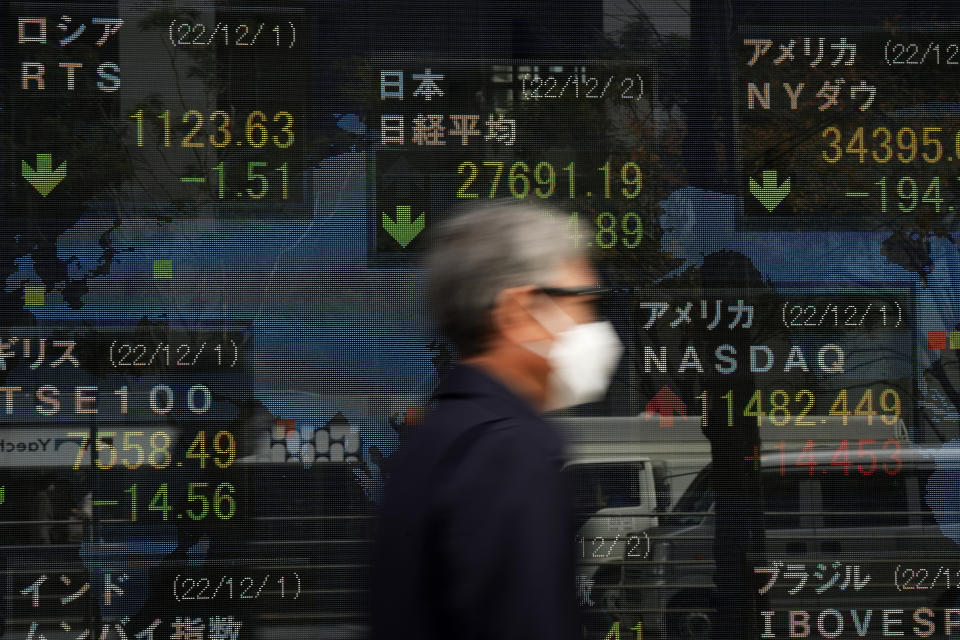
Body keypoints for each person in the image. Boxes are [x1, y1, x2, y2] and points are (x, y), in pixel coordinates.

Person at [371, 201, 623, 640]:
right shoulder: (508, 451)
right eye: (583, 300)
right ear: (520, 310)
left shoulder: (437, 439)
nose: (593, 323)